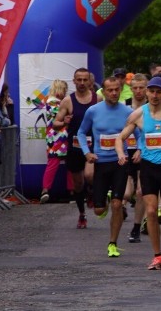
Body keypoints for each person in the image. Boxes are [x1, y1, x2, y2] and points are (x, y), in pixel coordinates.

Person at [115, 77, 161, 269]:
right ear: (146, 92)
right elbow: (120, 138)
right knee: (152, 211)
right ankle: (157, 255)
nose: (154, 95)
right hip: (148, 168)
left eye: (158, 92)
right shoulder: (138, 114)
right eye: (151, 91)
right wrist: (121, 153)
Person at [77, 76, 135, 258]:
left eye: (117, 89)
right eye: (110, 90)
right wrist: (87, 152)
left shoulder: (127, 111)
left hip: (120, 162)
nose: (114, 93)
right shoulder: (93, 111)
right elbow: (80, 132)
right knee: (99, 210)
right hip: (100, 163)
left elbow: (140, 133)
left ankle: (113, 243)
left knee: (118, 205)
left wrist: (139, 150)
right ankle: (104, 201)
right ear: (103, 91)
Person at [53, 68, 100, 229]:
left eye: (84, 80)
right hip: (74, 147)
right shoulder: (68, 100)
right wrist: (64, 121)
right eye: (78, 80)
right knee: (78, 184)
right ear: (74, 81)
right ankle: (82, 214)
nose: (81, 83)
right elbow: (55, 123)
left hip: (92, 146)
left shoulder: (97, 99)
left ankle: (93, 191)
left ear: (90, 81)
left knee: (89, 174)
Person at [124, 74, 148, 243]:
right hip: (126, 152)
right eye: (135, 88)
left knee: (141, 191)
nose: (138, 91)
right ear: (130, 89)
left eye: (142, 87)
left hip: (145, 152)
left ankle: (136, 227)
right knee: (126, 193)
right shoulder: (124, 107)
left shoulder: (152, 107)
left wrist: (142, 148)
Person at [40, 80, 70, 204]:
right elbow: (60, 116)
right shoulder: (53, 102)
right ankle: (71, 191)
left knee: (56, 163)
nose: (65, 92)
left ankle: (46, 190)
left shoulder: (50, 101)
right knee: (64, 164)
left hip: (55, 136)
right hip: (60, 136)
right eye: (64, 89)